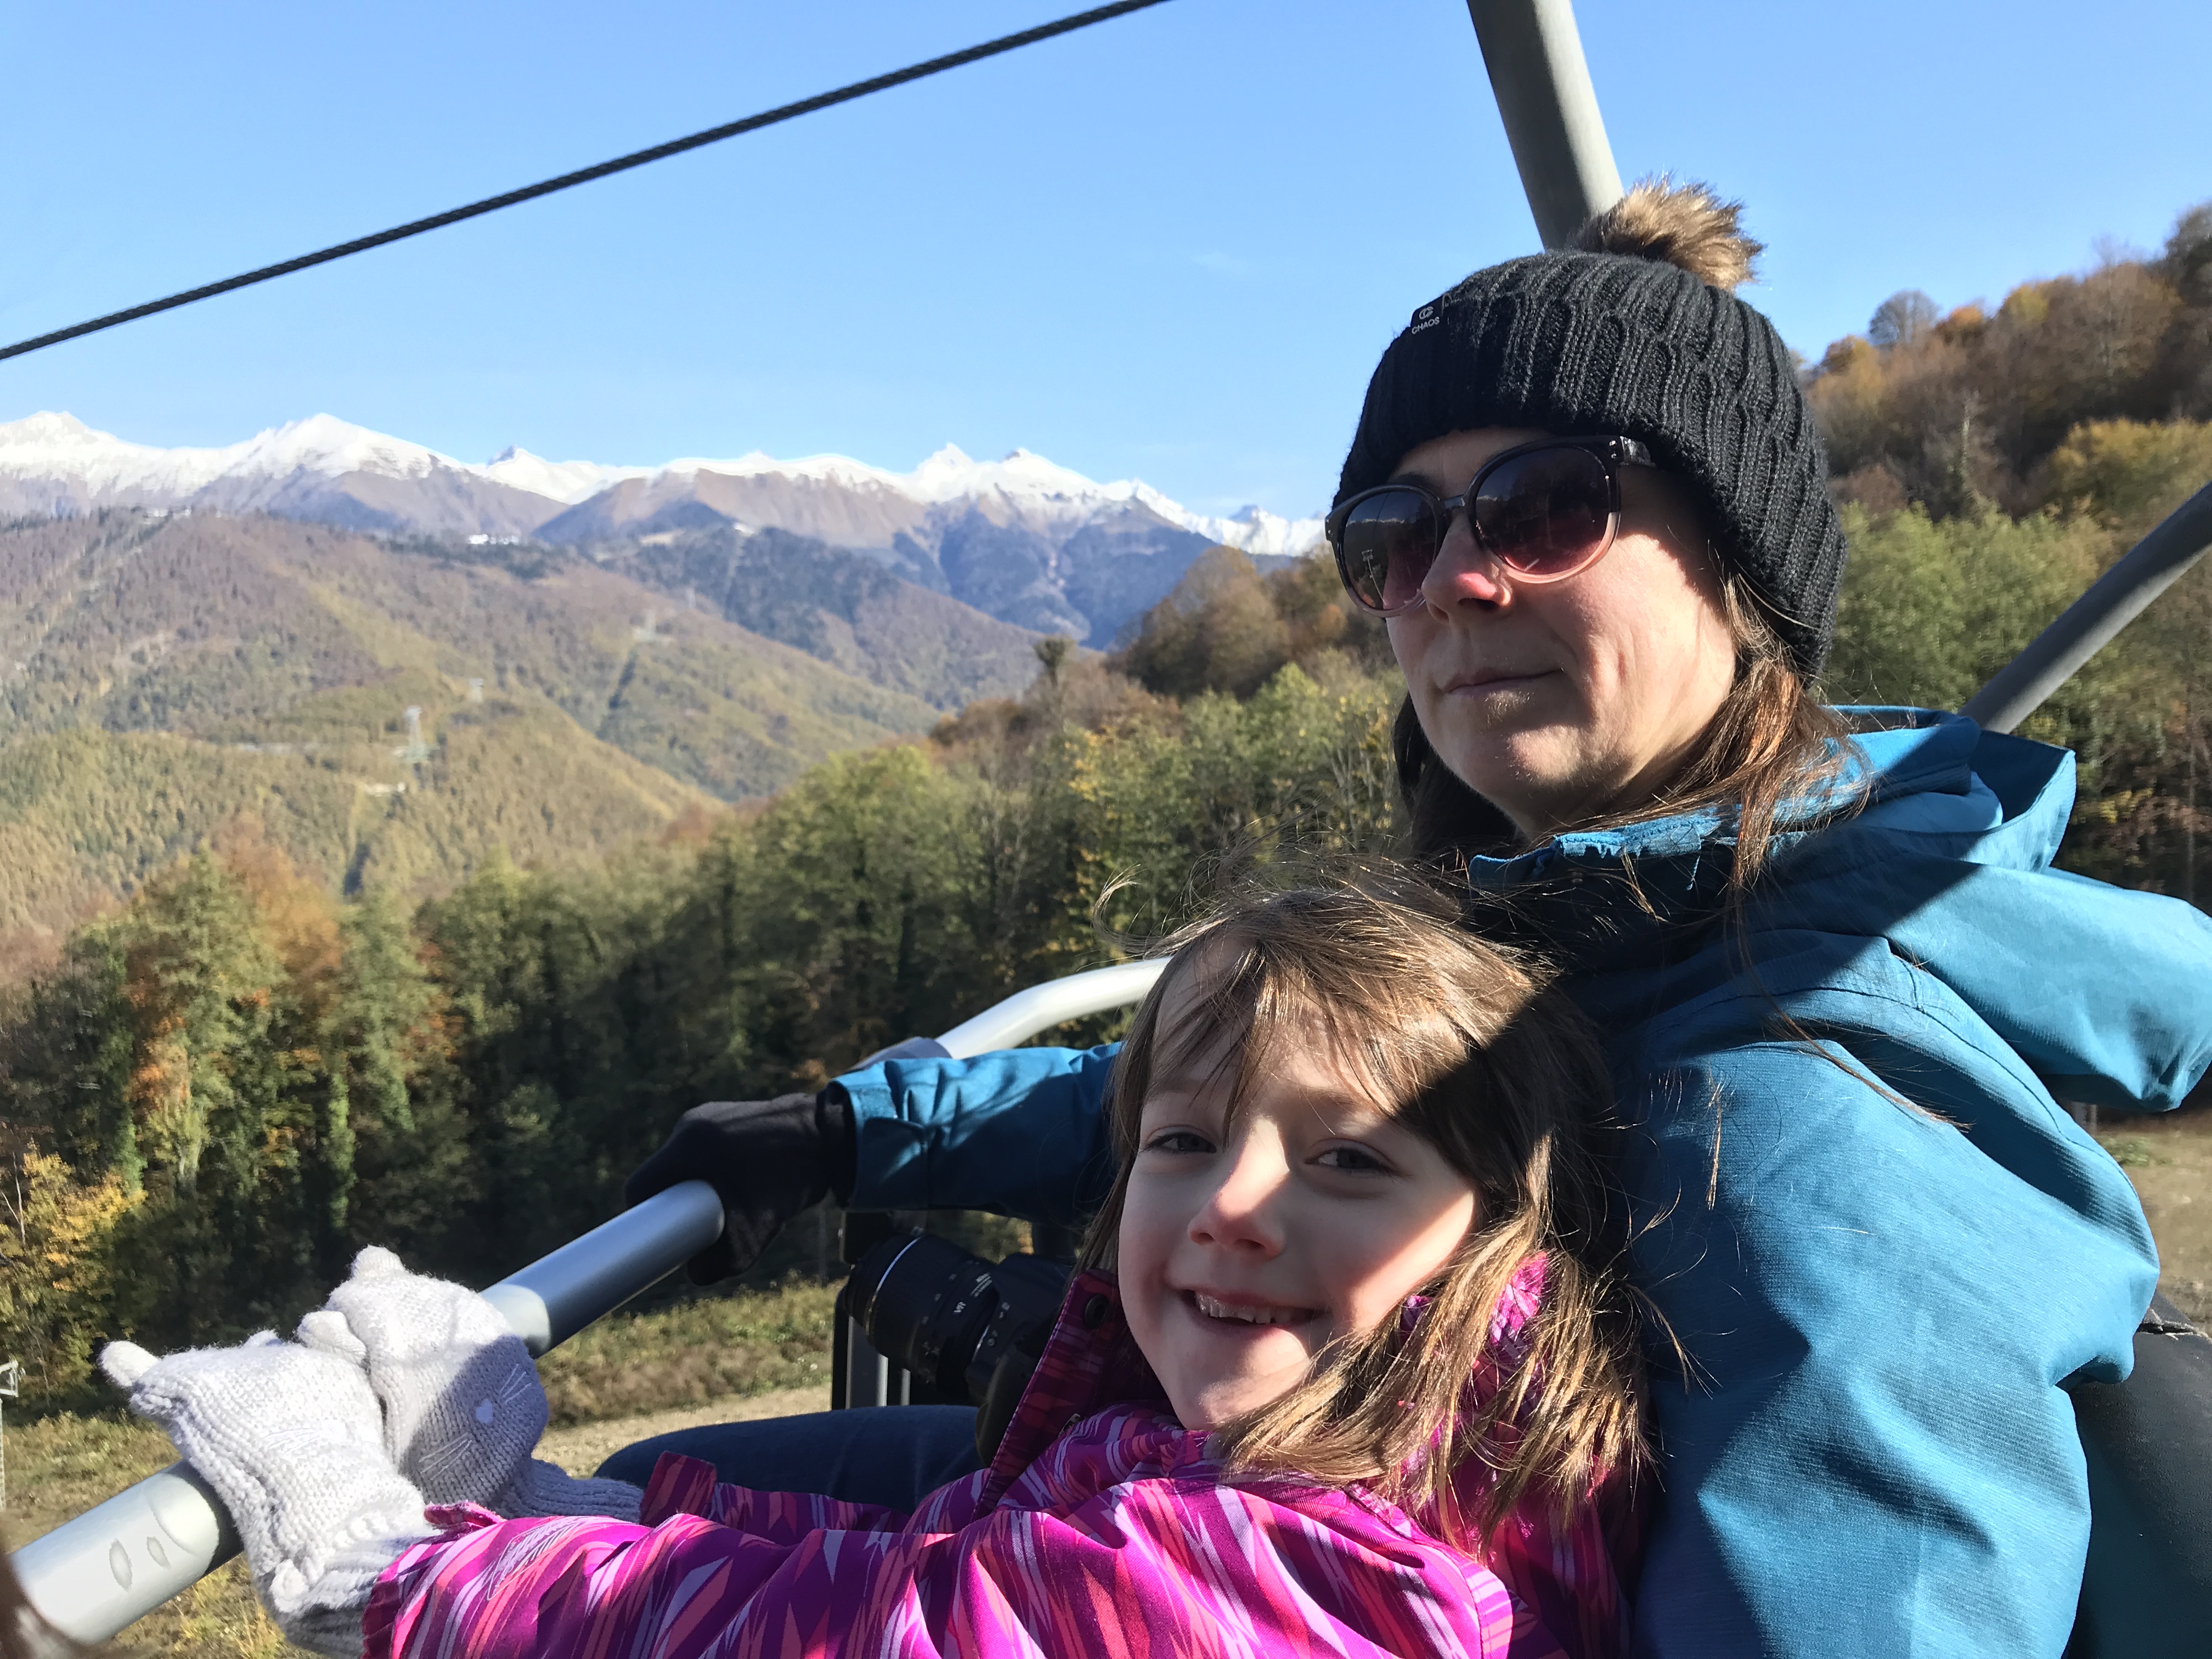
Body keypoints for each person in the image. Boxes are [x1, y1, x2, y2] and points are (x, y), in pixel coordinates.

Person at [619, 181, 2212, 1658]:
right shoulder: (1599, 928)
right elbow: (1264, 1112)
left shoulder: (1808, 1137)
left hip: (1344, 1552)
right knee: (648, 1489)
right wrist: (857, 1130)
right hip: (1330, 1505)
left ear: (1741, 573)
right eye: (1399, 534)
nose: (1454, 582)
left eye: (1548, 506)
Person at [104, 882, 1647, 1657]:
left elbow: (846, 1638)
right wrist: (531, 1496)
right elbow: (934, 1564)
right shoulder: (1385, 1456)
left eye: (1350, 1160)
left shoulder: (1307, 1575)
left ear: (1504, 1224)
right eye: (1180, 1140)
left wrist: (383, 1570)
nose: (1231, 1204)